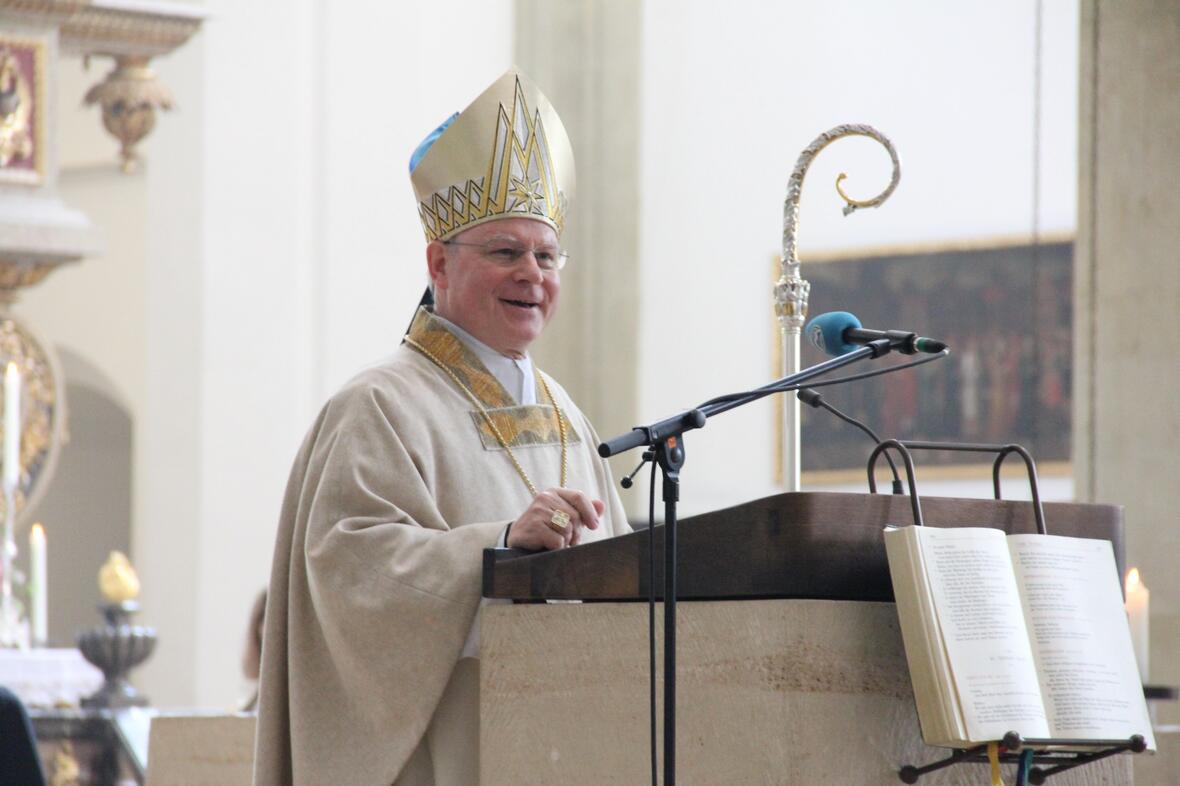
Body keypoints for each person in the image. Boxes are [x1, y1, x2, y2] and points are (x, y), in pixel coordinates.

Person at [254, 70, 630, 786]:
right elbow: (348, 570)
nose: (532, 274)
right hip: (444, 756)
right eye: (505, 253)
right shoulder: (377, 405)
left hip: (567, 743)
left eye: (546, 256)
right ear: (439, 264)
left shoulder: (566, 413)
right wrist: (498, 546)